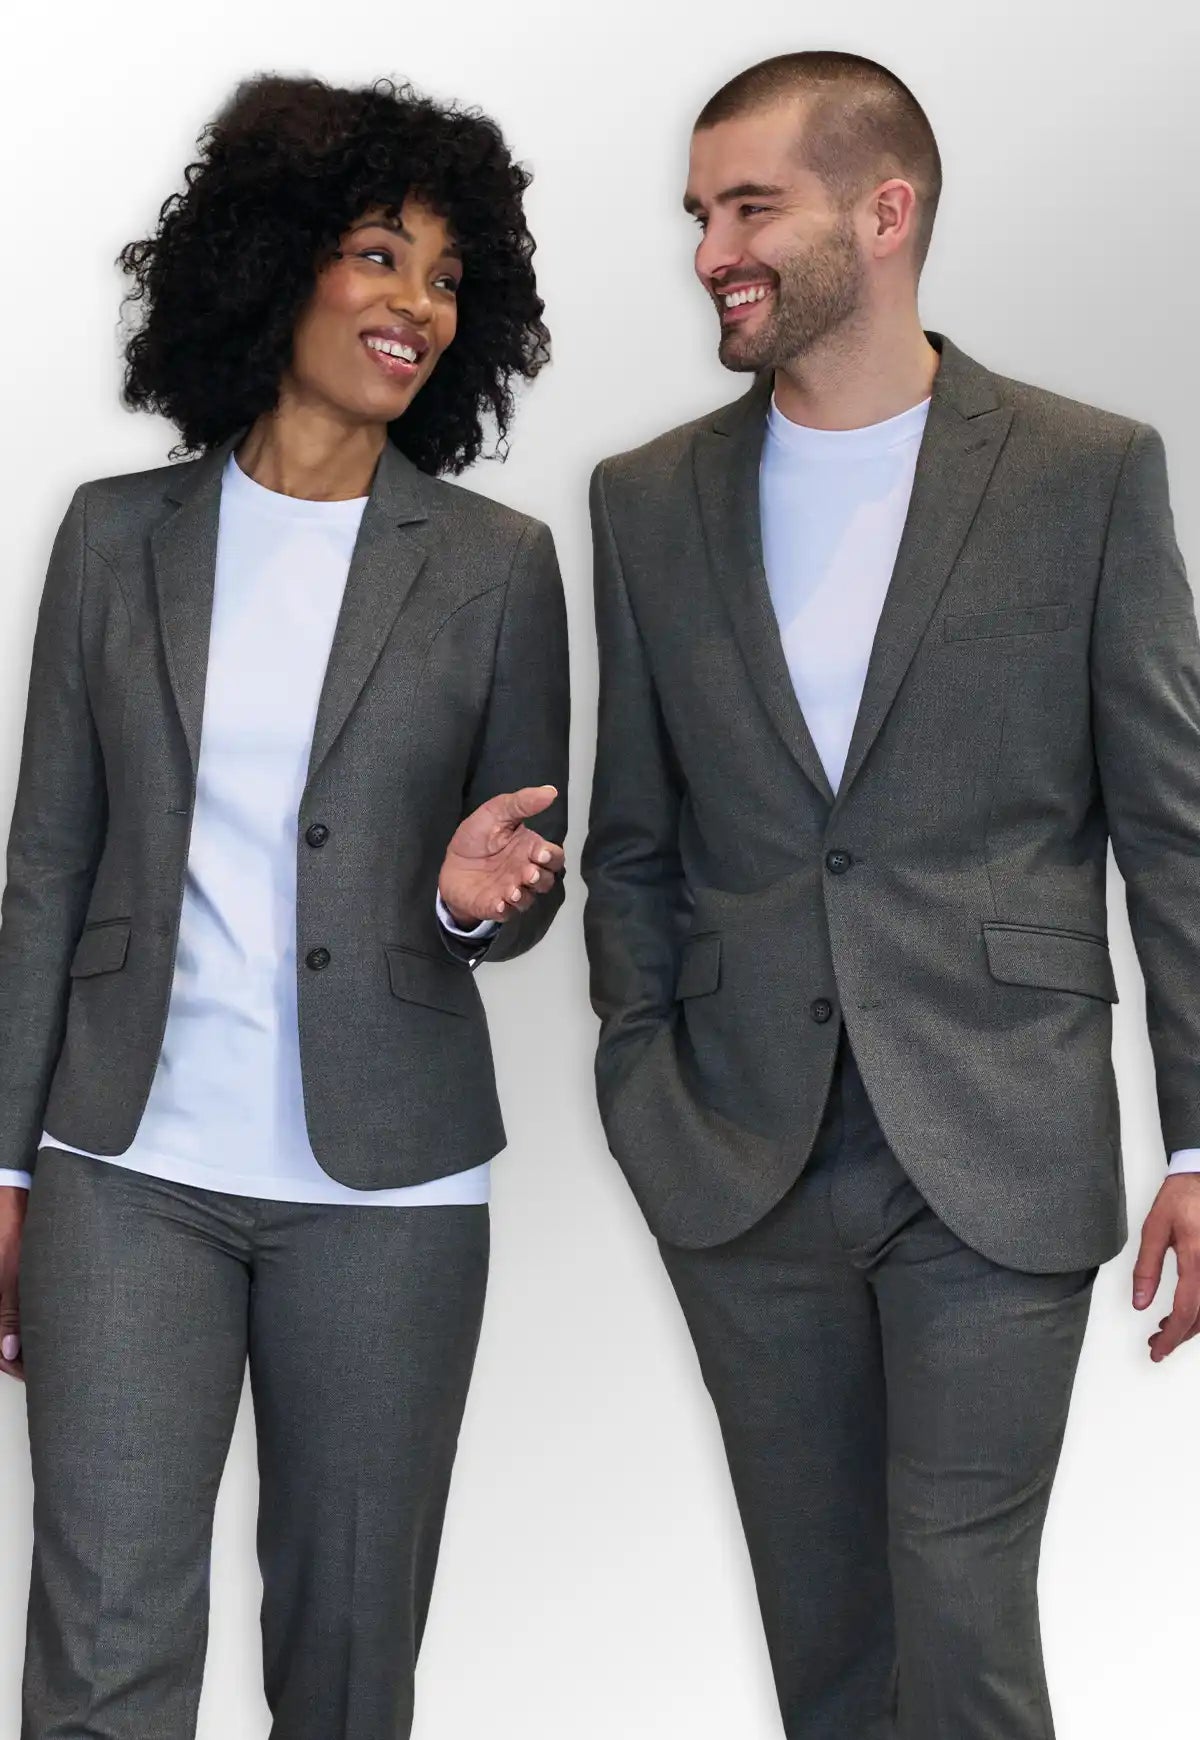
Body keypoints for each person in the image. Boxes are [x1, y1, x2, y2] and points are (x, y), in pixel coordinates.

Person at [581, 48, 1200, 1739]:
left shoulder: (1087, 471)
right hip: (740, 1157)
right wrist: (645, 1084)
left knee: (962, 1618)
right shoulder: (643, 504)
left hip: (995, 1140)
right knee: (826, 1640)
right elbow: (635, 840)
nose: (712, 247)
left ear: (887, 210)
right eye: (701, 214)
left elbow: (1176, 833)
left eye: (750, 205)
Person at [0, 72, 568, 1739]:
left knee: (345, 1656)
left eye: (451, 278)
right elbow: (44, 873)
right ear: (272, 265)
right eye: (382, 254)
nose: (417, 305)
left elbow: (531, 870)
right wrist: (6, 1163)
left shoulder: (495, 561)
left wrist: (476, 900)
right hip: (126, 1171)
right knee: (100, 1645)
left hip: (388, 1187)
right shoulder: (114, 541)